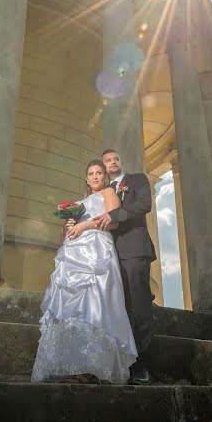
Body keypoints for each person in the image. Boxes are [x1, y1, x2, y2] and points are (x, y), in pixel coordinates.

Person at [31, 160, 137, 384]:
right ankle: (71, 364)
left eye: (99, 173)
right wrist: (69, 225)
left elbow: (113, 221)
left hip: (97, 250)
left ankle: (94, 367)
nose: (96, 176)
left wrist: (84, 226)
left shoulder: (109, 192)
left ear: (104, 177)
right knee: (73, 307)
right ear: (86, 179)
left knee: (96, 303)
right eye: (91, 173)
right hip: (75, 252)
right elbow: (69, 231)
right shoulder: (79, 203)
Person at [93, 149, 156, 385]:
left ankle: (144, 366)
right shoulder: (104, 192)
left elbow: (144, 204)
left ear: (121, 162)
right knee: (122, 309)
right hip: (111, 254)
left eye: (116, 158)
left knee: (140, 308)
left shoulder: (137, 179)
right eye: (108, 160)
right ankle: (125, 363)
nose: (112, 162)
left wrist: (115, 215)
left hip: (135, 250)